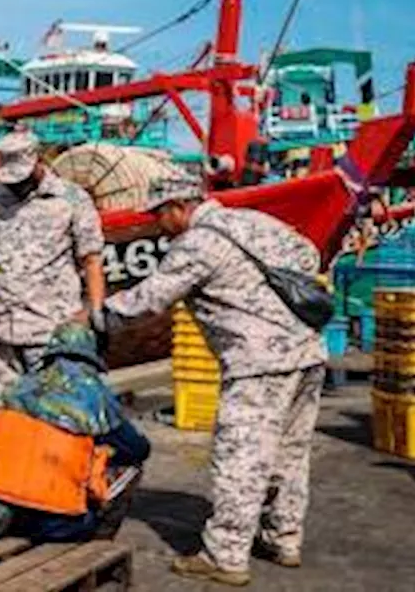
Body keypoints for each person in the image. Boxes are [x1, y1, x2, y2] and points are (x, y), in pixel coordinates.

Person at [94, 172, 328, 587]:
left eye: (158, 216)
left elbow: (149, 300)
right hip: (307, 353)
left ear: (178, 209)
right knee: (290, 454)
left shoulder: (199, 242)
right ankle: (283, 538)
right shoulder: (255, 222)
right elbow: (309, 256)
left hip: (258, 363)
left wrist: (94, 317)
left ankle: (225, 556)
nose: (156, 225)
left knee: (242, 457)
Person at [0, 127, 107, 398]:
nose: (15, 185)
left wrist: (97, 311)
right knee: (1, 413)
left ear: (38, 162)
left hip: (50, 331)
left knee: (54, 411)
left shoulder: (71, 199)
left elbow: (91, 259)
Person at [0, 323, 150, 543]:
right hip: (59, 523)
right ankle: (100, 543)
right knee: (132, 468)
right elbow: (138, 449)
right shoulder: (95, 395)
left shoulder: (17, 388)